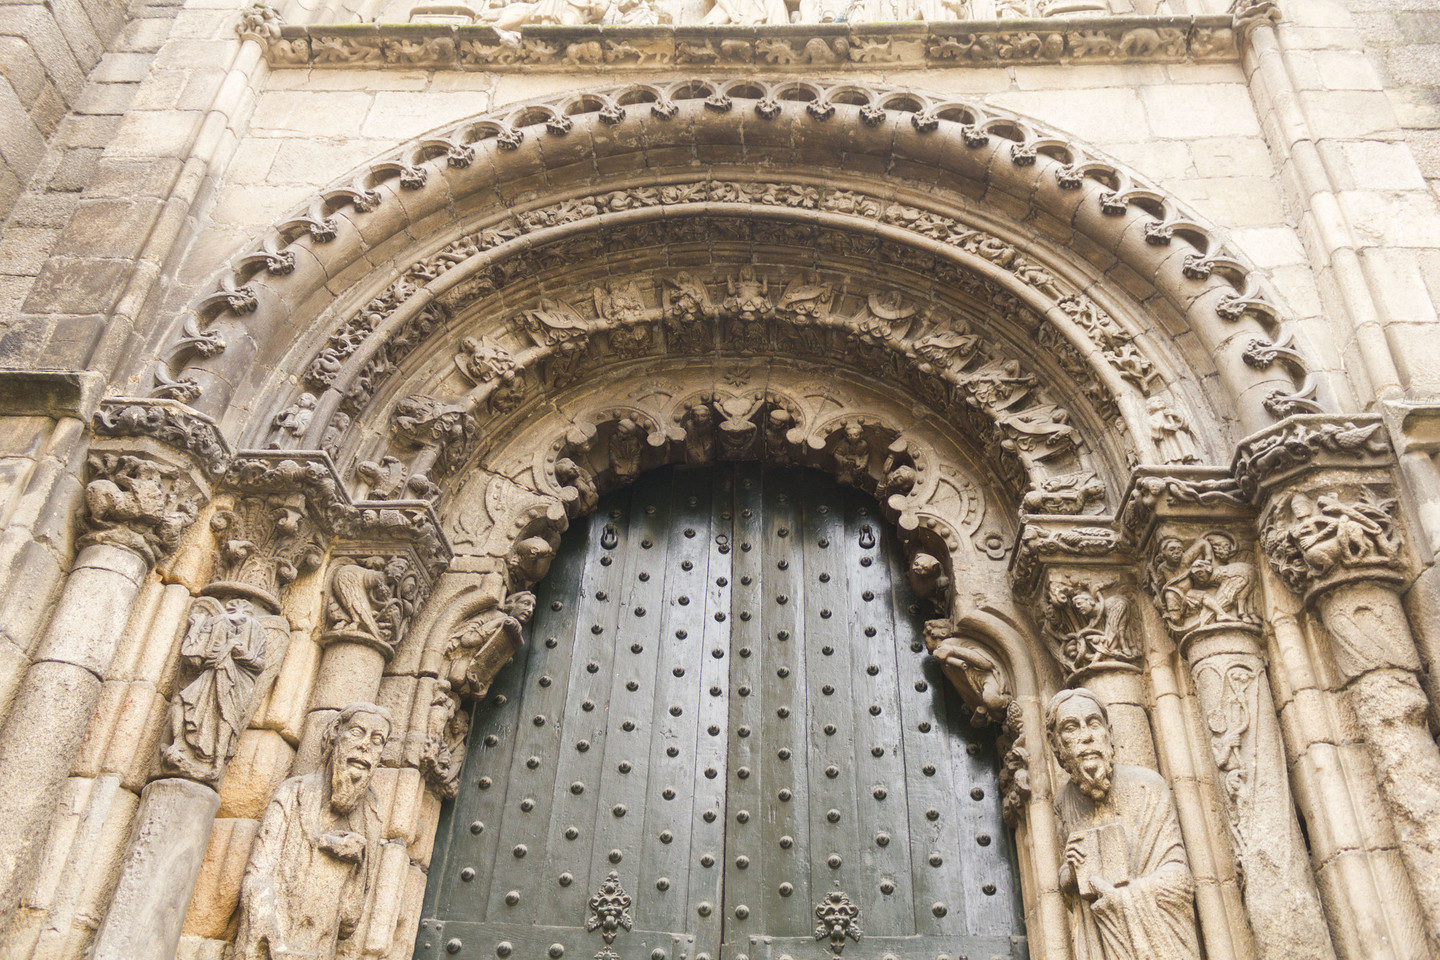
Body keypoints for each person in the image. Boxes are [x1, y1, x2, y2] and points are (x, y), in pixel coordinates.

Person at [230, 703, 392, 960]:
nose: (365, 746)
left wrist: (357, 861)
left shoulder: (369, 814)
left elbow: (349, 919)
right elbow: (258, 874)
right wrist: (272, 937)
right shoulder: (293, 793)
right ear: (336, 733)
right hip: (271, 945)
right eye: (357, 732)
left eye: (377, 740)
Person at [1048, 688, 1200, 960]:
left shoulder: (1147, 786)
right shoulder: (1063, 802)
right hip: (1098, 940)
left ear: (1109, 733)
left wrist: (1122, 900)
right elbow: (1067, 887)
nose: (1086, 736)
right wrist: (1070, 873)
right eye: (1071, 728)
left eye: (1093, 723)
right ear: (1057, 745)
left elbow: (1179, 878)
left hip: (1158, 941)